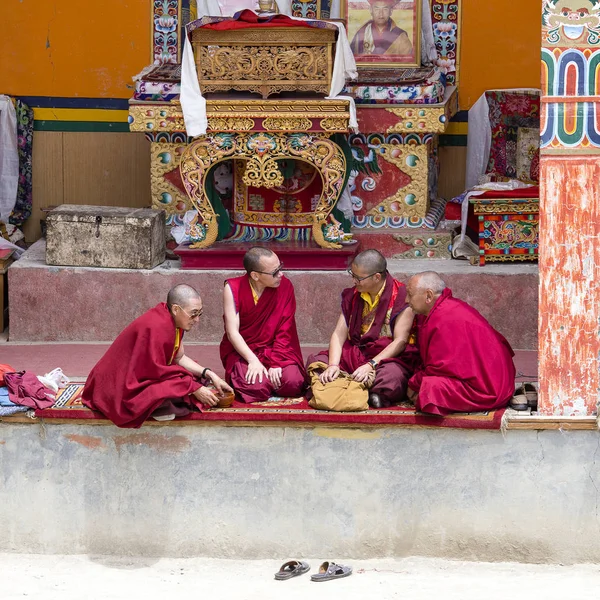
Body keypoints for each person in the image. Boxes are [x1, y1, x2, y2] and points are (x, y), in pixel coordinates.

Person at [82, 284, 232, 428]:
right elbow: (155, 372)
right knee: (174, 394)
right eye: (193, 314)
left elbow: (179, 358)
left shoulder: (174, 321)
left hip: (139, 373)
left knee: (190, 383)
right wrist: (193, 388)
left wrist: (211, 375)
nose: (197, 320)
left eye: (200, 313)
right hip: (116, 387)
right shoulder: (157, 327)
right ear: (176, 309)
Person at [307, 249, 419, 408]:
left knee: (392, 377)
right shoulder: (354, 295)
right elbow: (339, 334)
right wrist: (333, 365)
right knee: (317, 363)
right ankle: (366, 390)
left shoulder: (401, 296)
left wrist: (370, 365)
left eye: (358, 278)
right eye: (352, 275)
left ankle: (348, 387)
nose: (354, 281)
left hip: (383, 359)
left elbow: (400, 341)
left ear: (377, 277)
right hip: (356, 354)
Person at [405, 272, 516, 415]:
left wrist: (414, 383)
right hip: (497, 381)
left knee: (430, 389)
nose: (406, 300)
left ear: (428, 296)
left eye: (410, 294)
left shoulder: (443, 317)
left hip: (489, 391)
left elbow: (439, 367)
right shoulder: (446, 308)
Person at [220, 247, 307, 402]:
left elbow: (285, 329)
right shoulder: (233, 288)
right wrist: (252, 360)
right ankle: (258, 379)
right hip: (245, 351)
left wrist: (276, 362)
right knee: (257, 388)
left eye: (280, 267)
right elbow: (233, 332)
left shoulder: (285, 286)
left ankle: (265, 378)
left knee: (293, 383)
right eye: (275, 272)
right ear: (255, 275)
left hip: (278, 348)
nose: (281, 274)